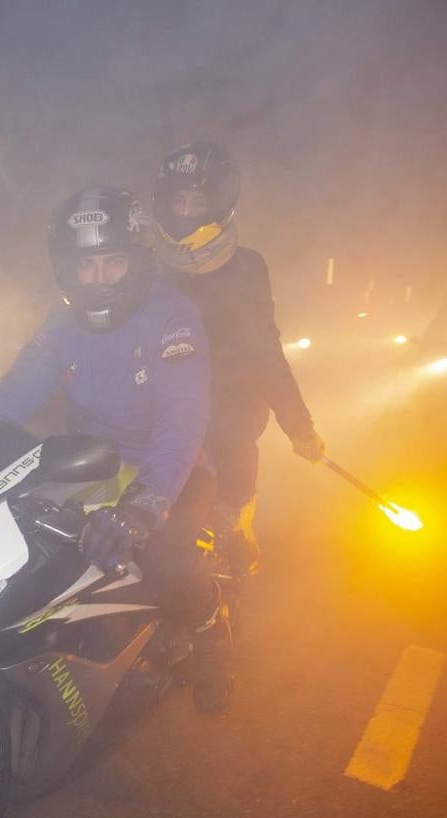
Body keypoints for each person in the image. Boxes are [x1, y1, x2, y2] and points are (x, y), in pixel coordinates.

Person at [0, 185, 232, 712]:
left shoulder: (173, 317)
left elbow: (183, 421)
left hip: (172, 469)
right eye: (84, 265)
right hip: (89, 461)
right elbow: (11, 394)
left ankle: (212, 628)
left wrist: (145, 506)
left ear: (138, 261)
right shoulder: (61, 321)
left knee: (170, 565)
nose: (97, 280)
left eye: (112, 263)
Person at [153, 142, 325, 576]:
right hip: (165, 400)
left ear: (220, 205)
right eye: (179, 200)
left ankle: (235, 530)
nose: (187, 210)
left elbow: (264, 350)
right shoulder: (150, 267)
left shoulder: (247, 268)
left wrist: (299, 425)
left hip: (230, 401)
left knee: (231, 453)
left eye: (198, 200)